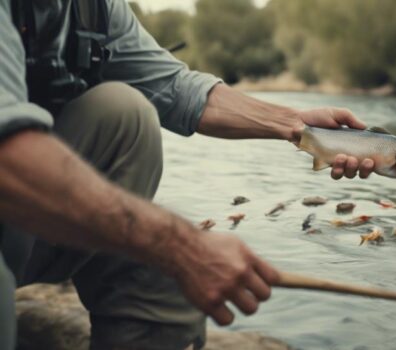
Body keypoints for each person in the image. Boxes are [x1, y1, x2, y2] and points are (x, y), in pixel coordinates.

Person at [0, 0, 375, 349]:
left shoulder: (94, 7)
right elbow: (9, 162)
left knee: (125, 112)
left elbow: (175, 87)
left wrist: (296, 125)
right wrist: (182, 247)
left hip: (27, 233)